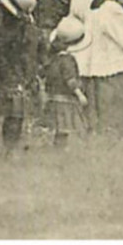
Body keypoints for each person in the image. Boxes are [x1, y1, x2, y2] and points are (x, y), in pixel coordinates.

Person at [74, 0, 123, 135]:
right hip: (112, 58)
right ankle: (120, 132)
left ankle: (103, 130)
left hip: (97, 58)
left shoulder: (92, 5)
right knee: (120, 98)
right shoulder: (111, 7)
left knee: (101, 98)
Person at [0, 0, 40, 150]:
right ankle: (11, 148)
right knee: (15, 114)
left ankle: (10, 147)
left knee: (14, 113)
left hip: (10, 74)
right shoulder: (25, 31)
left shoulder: (11, 31)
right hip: (14, 74)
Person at [41, 18, 89, 148]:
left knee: (59, 126)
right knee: (64, 127)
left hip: (53, 97)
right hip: (65, 99)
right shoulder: (68, 60)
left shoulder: (53, 58)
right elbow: (70, 79)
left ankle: (59, 148)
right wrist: (80, 94)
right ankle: (60, 150)